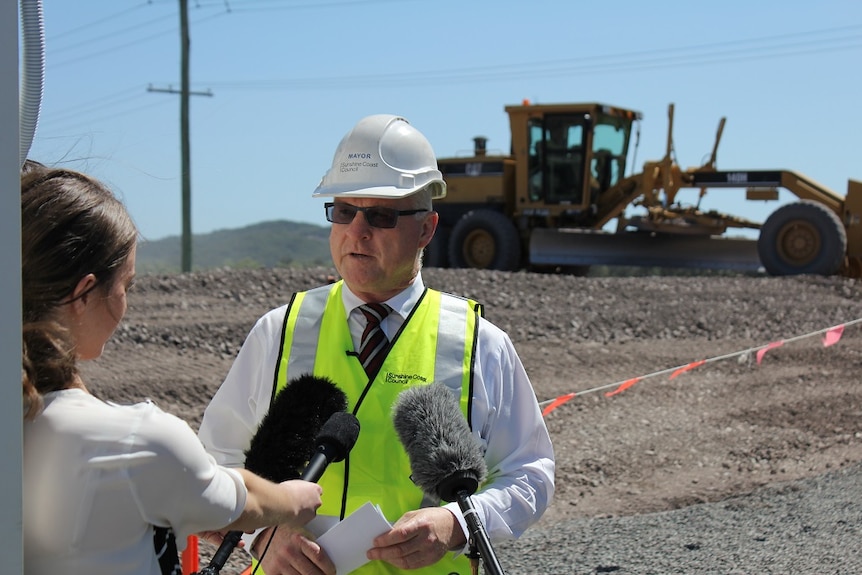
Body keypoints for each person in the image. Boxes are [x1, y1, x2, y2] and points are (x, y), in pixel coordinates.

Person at [198, 114, 555, 575]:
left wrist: (458, 523)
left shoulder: (479, 344)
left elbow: (530, 473)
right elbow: (215, 462)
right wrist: (261, 534)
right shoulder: (279, 332)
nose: (357, 232)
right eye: (344, 211)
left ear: (426, 229)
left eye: (381, 215)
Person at [21, 165, 324, 575]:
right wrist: (292, 501)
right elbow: (246, 503)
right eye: (125, 286)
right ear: (83, 293)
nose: (126, 304)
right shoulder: (135, 440)